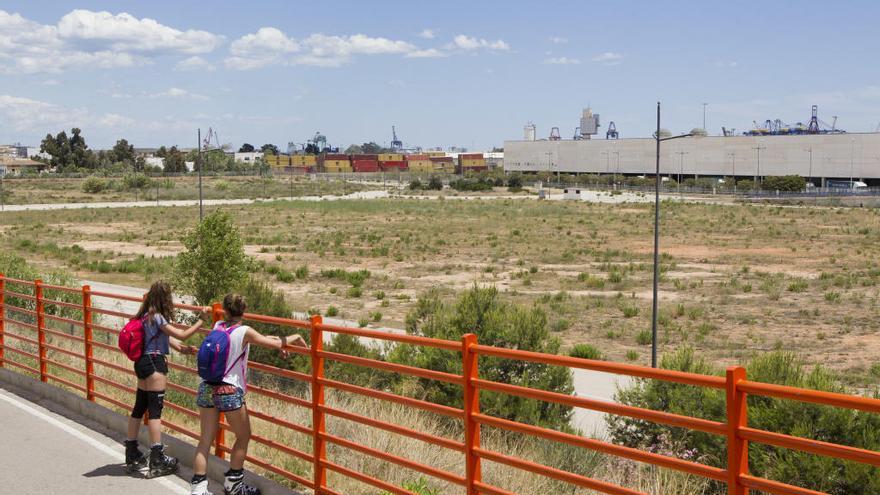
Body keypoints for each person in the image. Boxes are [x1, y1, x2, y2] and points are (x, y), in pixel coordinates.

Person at [190, 293, 307, 495]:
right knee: (243, 436)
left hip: (207, 387)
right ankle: (234, 486)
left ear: (225, 310)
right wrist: (295, 337)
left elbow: (258, 339)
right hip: (229, 390)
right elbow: (274, 343)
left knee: (205, 439)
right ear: (243, 311)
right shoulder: (245, 331)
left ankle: (198, 489)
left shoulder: (218, 326)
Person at [125, 281, 210, 477]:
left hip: (142, 363)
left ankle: (132, 453)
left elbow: (166, 338)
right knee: (155, 412)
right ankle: (157, 458)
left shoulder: (146, 315)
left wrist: (181, 349)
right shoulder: (158, 316)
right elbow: (182, 333)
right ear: (165, 298)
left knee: (139, 408)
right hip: (155, 364)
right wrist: (201, 320)